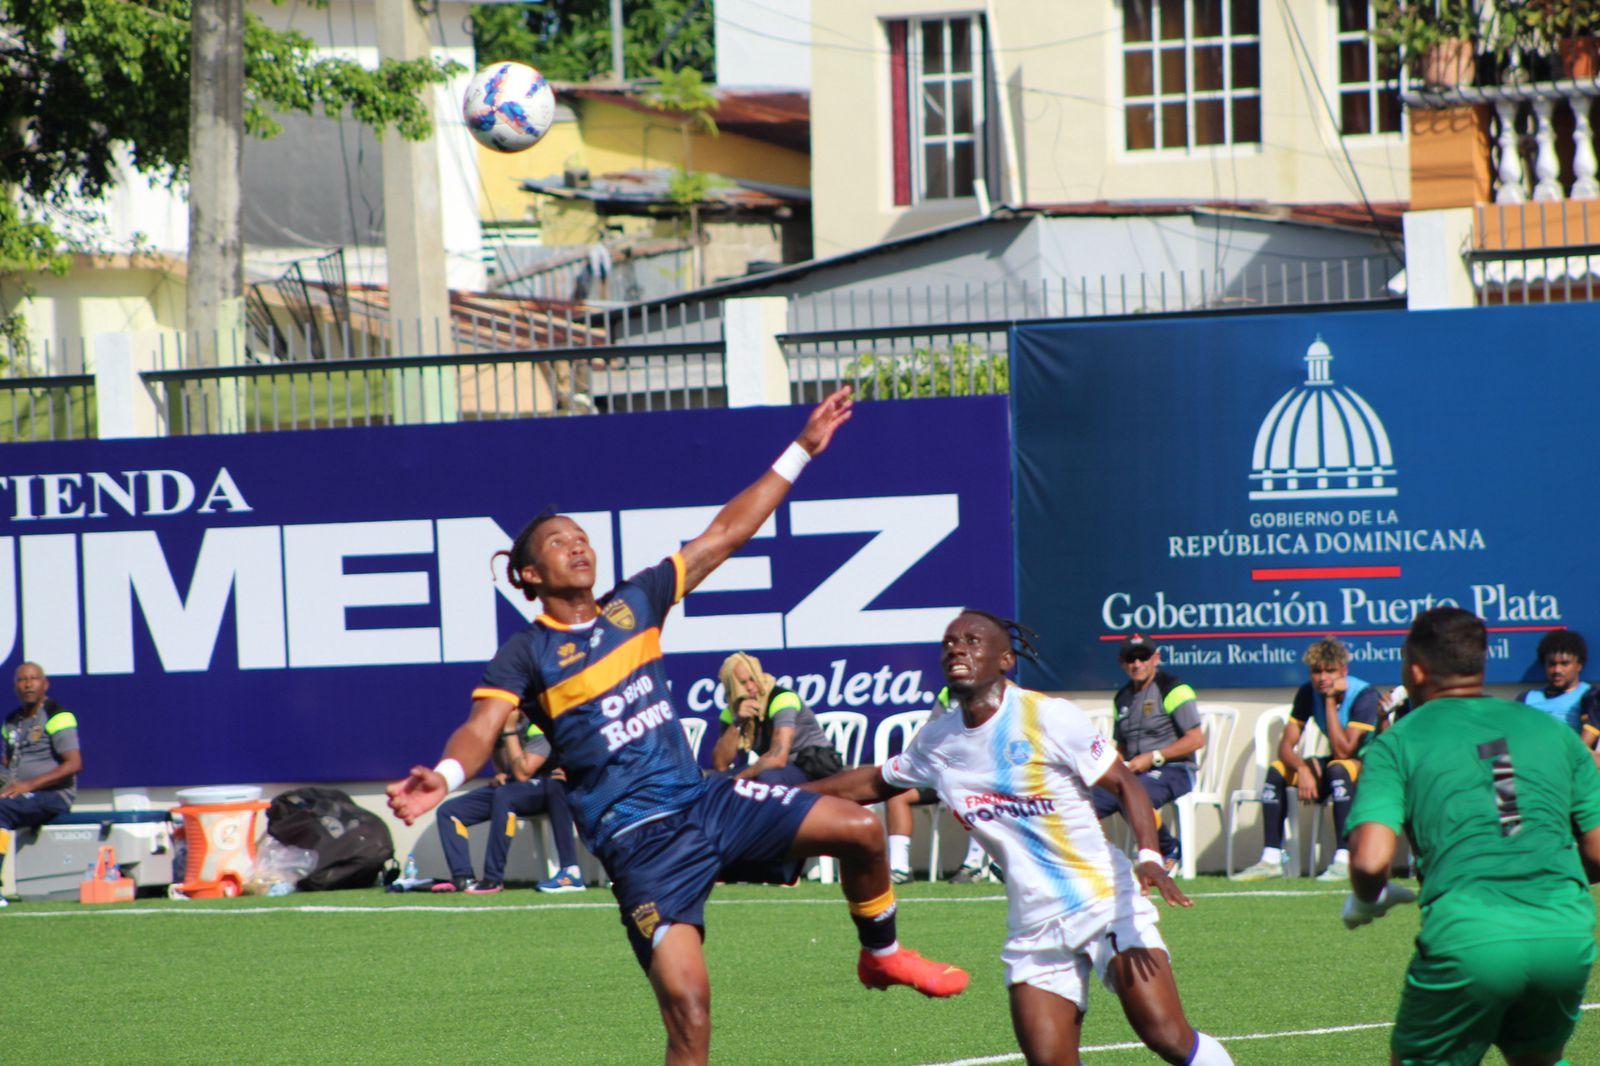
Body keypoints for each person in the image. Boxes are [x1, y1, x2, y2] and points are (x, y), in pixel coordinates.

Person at [387, 388, 967, 1066]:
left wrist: (803, 448)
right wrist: (449, 773)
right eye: (557, 542)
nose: (576, 545)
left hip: (704, 802)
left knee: (863, 828)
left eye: (580, 536)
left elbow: (727, 533)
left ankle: (883, 956)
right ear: (528, 574)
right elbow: (482, 726)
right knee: (690, 1014)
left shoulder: (636, 604)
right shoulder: (527, 653)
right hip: (639, 848)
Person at [806, 611, 1234, 1066]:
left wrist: (1149, 855)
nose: (956, 649)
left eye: (972, 641)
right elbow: (873, 783)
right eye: (949, 642)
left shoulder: (1047, 715)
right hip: (1034, 925)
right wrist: (775, 797)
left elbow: (1126, 783)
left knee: (1166, 1035)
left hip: (1104, 902)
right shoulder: (938, 739)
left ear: (1005, 659)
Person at [1346, 606, 1600, 1066]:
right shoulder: (1552, 732)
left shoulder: (1399, 740)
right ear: (1479, 665)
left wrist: (1367, 899)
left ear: (1416, 669)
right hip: (1565, 933)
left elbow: (1369, 860)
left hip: (1469, 936)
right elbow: (1599, 852)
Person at [1233, 637, 1379, 883]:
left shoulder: (1364, 694)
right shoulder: (1307, 692)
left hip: (1371, 766)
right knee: (1278, 770)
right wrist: (1302, 768)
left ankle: (1344, 860)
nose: (1322, 677)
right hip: (1339, 763)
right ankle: (1271, 859)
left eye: (1330, 671)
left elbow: (1345, 751)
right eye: (1316, 671)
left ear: (1343, 671)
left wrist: (1330, 702)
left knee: (1338, 768)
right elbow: (1286, 746)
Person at [430, 712, 585, 895]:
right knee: (449, 811)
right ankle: (463, 877)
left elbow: (524, 771)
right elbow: (502, 760)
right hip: (515, 788)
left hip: (546, 785)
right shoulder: (499, 720)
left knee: (505, 796)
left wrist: (509, 730)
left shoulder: (537, 721)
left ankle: (493, 879)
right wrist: (501, 772)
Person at [1090, 635, 1204, 873]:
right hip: (1134, 772)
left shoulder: (1174, 689)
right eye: (1131, 659)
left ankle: (1168, 847)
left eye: (1143, 657)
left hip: (1175, 770)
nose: (1137, 664)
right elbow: (1120, 746)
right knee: (1083, 800)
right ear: (1122, 663)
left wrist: (1154, 757)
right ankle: (1095, 865)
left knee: (1134, 792)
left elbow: (1195, 739)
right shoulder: (1121, 697)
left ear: (1156, 658)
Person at [882, 688, 994, 885]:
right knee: (897, 795)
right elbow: (930, 732)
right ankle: (898, 869)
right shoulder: (947, 694)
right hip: (939, 775)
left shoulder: (997, 694)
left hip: (976, 777)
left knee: (980, 792)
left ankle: (973, 866)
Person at [0, 662, 82, 908]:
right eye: (22, 680)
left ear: (45, 684)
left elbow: (74, 764)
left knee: (1, 810)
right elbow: (8, 766)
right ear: (15, 686)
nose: (28, 684)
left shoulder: (58, 715)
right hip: (20, 794)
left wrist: (28, 785)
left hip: (53, 795)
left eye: (33, 678)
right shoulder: (12, 721)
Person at [708, 652, 843, 786]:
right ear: (731, 687)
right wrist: (738, 722)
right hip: (780, 768)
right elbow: (720, 764)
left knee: (766, 779)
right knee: (717, 779)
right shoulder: (730, 712)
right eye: (742, 683)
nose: (750, 687)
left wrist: (742, 776)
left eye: (753, 679)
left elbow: (778, 758)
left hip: (813, 765)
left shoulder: (782, 698)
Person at [1517, 630, 1599, 746]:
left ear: (1579, 665)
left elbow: (1584, 749)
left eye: (1564, 664)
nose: (1557, 670)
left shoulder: (1591, 696)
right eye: (1552, 664)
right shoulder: (1526, 698)